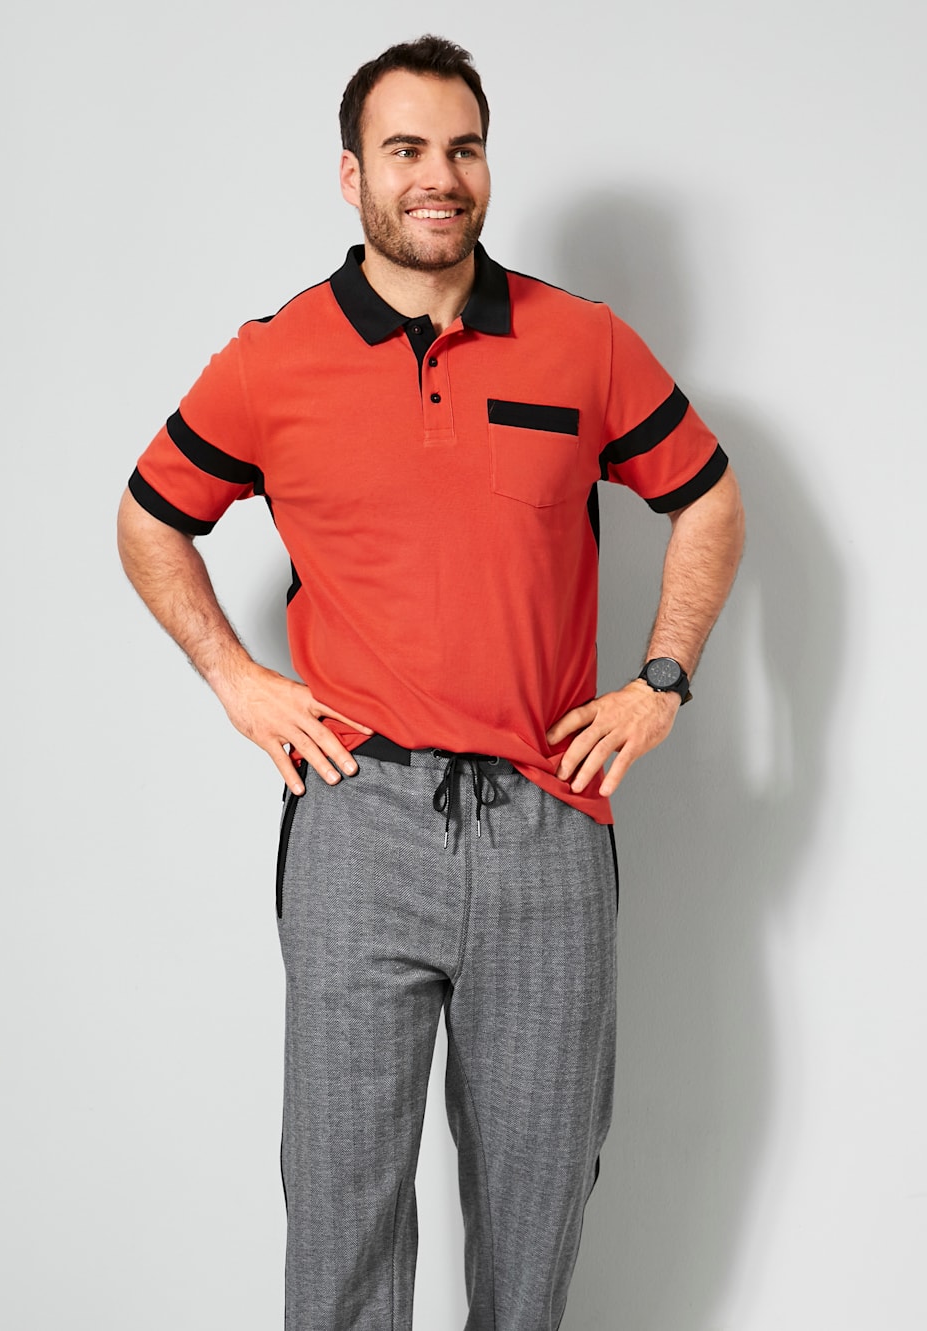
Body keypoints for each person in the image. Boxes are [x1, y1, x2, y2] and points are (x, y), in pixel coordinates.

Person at [117, 33, 744, 1331]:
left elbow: (708, 496)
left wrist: (662, 681)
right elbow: (150, 515)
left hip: (546, 822)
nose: (438, 176)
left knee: (537, 1206)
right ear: (352, 175)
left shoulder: (582, 343)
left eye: (463, 148)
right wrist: (236, 679)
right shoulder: (276, 359)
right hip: (359, 819)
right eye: (405, 149)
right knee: (340, 1204)